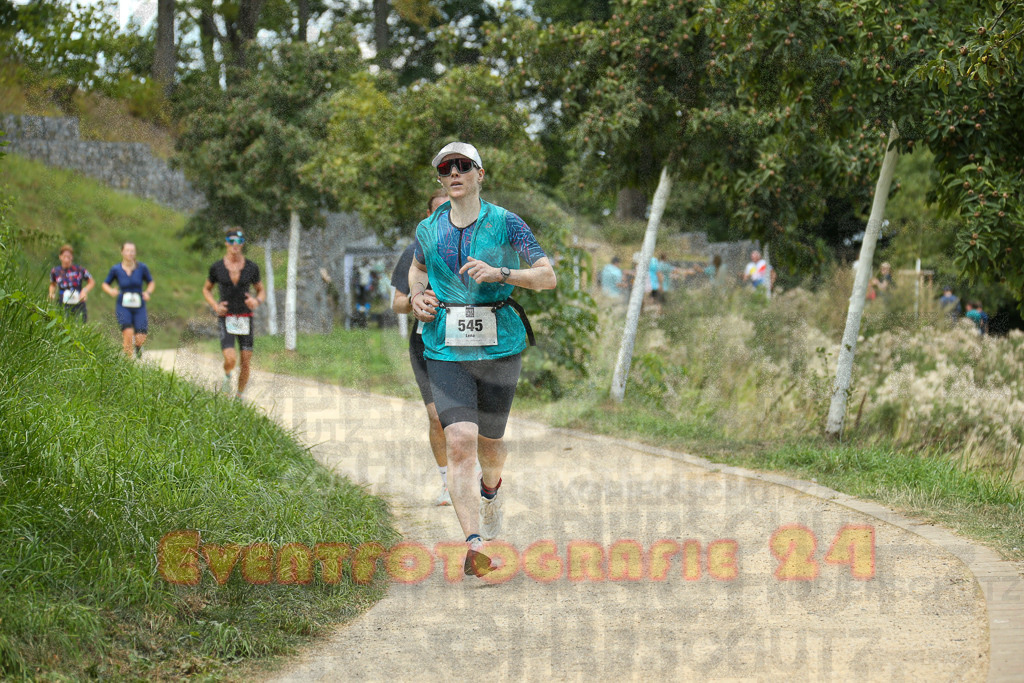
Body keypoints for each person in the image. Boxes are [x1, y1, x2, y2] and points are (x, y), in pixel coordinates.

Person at [409, 142, 556, 577]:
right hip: (445, 345)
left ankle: (491, 490)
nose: (454, 173)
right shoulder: (428, 228)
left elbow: (547, 276)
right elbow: (418, 269)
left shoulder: (507, 223)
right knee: (459, 440)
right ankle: (473, 543)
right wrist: (419, 295)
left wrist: (502, 274)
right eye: (445, 168)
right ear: (440, 178)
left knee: (491, 445)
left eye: (463, 166)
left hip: (499, 345)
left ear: (479, 173)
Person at [392, 188, 453, 506]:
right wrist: (416, 301)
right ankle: (447, 483)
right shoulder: (414, 253)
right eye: (437, 212)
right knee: (435, 416)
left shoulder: (473, 249)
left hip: (466, 343)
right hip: (425, 343)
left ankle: (475, 475)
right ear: (428, 217)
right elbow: (397, 302)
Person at [203, 228, 266, 397]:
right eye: (231, 241)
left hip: (246, 318)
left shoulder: (252, 267)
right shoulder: (217, 267)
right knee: (230, 359)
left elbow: (261, 291)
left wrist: (256, 301)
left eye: (238, 241)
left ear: (243, 244)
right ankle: (227, 376)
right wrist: (215, 306)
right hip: (226, 317)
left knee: (245, 361)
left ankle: (239, 396)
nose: (235, 245)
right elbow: (206, 289)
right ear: (226, 243)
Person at [101, 242, 154, 358]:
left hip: (139, 304)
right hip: (123, 304)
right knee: (128, 333)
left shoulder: (142, 268)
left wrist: (148, 292)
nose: (130, 253)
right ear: (122, 252)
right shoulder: (116, 269)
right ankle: (128, 364)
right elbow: (105, 284)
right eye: (127, 250)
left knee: (140, 338)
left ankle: (138, 346)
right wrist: (111, 291)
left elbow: (151, 282)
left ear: (135, 253)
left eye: (132, 251)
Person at [48, 244, 95, 322]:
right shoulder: (55, 271)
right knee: (63, 325)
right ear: (60, 257)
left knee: (80, 326)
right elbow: (53, 284)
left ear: (72, 257)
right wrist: (51, 293)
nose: (66, 259)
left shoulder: (79, 269)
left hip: (78, 302)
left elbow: (91, 282)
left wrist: (84, 291)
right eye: (64, 256)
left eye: (69, 257)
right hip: (63, 303)